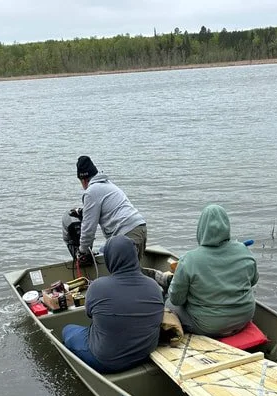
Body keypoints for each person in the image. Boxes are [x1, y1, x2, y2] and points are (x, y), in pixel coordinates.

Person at [61, 235, 164, 373]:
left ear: (110, 259)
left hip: (107, 362)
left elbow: (89, 314)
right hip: (145, 354)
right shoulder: (154, 286)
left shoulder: (98, 286)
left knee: (67, 330)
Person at [166, 204, 259, 337]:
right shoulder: (243, 250)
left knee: (168, 302)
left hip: (208, 326)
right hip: (243, 318)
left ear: (201, 229)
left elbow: (176, 300)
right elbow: (254, 280)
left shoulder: (189, 259)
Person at [62, 156, 147, 263]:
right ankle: (160, 277)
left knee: (124, 274)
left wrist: (82, 251)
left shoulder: (91, 192)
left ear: (83, 180)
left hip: (127, 234)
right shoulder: (107, 185)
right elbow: (103, 209)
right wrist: (81, 211)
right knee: (133, 271)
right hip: (139, 228)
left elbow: (88, 227)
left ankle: (159, 277)